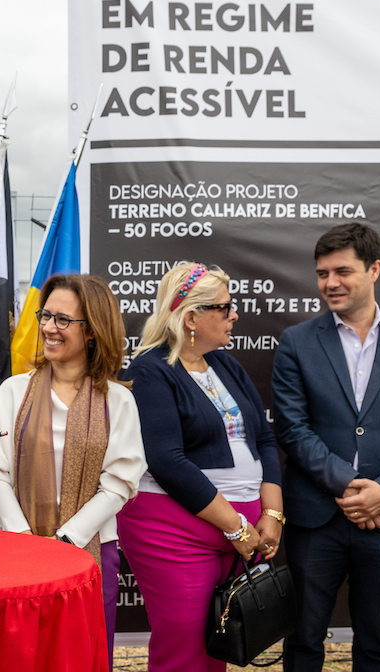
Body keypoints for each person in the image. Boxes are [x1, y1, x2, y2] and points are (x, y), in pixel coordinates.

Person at [271, 222, 380, 672]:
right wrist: (352, 488)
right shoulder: (296, 342)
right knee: (303, 640)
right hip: (316, 517)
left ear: (374, 270)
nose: (330, 283)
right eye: (322, 273)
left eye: (342, 271)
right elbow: (292, 429)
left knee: (376, 643)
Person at [116, 262, 284, 672]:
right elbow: (166, 461)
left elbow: (264, 439)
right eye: (224, 308)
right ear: (191, 317)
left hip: (239, 530)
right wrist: (236, 526)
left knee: (216, 648)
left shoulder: (225, 365)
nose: (234, 315)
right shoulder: (150, 371)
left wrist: (272, 514)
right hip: (175, 533)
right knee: (184, 651)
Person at [0, 274, 146, 663]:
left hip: (90, 551)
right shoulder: (13, 392)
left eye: (62, 320)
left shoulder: (117, 400)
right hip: (18, 550)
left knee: (82, 656)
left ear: (91, 331)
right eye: (45, 316)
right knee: (21, 656)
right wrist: (24, 538)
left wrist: (67, 541)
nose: (48, 328)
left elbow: (119, 484)